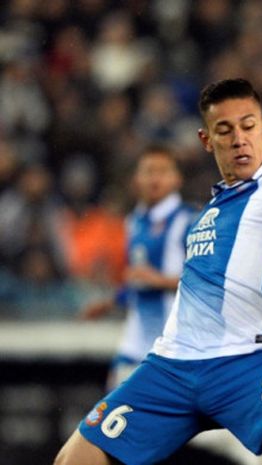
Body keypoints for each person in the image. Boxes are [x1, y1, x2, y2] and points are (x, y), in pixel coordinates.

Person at [55, 78, 262, 465]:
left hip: (249, 361)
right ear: (206, 140)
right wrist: (117, 298)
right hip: (171, 366)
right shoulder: (207, 213)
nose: (238, 139)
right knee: (73, 461)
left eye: (248, 126)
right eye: (224, 130)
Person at [79, 144, 194, 391]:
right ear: (136, 179)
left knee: (173, 421)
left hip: (175, 341)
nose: (155, 178)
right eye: (148, 171)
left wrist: (160, 281)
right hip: (136, 338)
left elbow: (206, 279)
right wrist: (111, 302)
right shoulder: (134, 221)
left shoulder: (189, 220)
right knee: (115, 411)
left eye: (162, 171)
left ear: (177, 178)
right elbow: (137, 280)